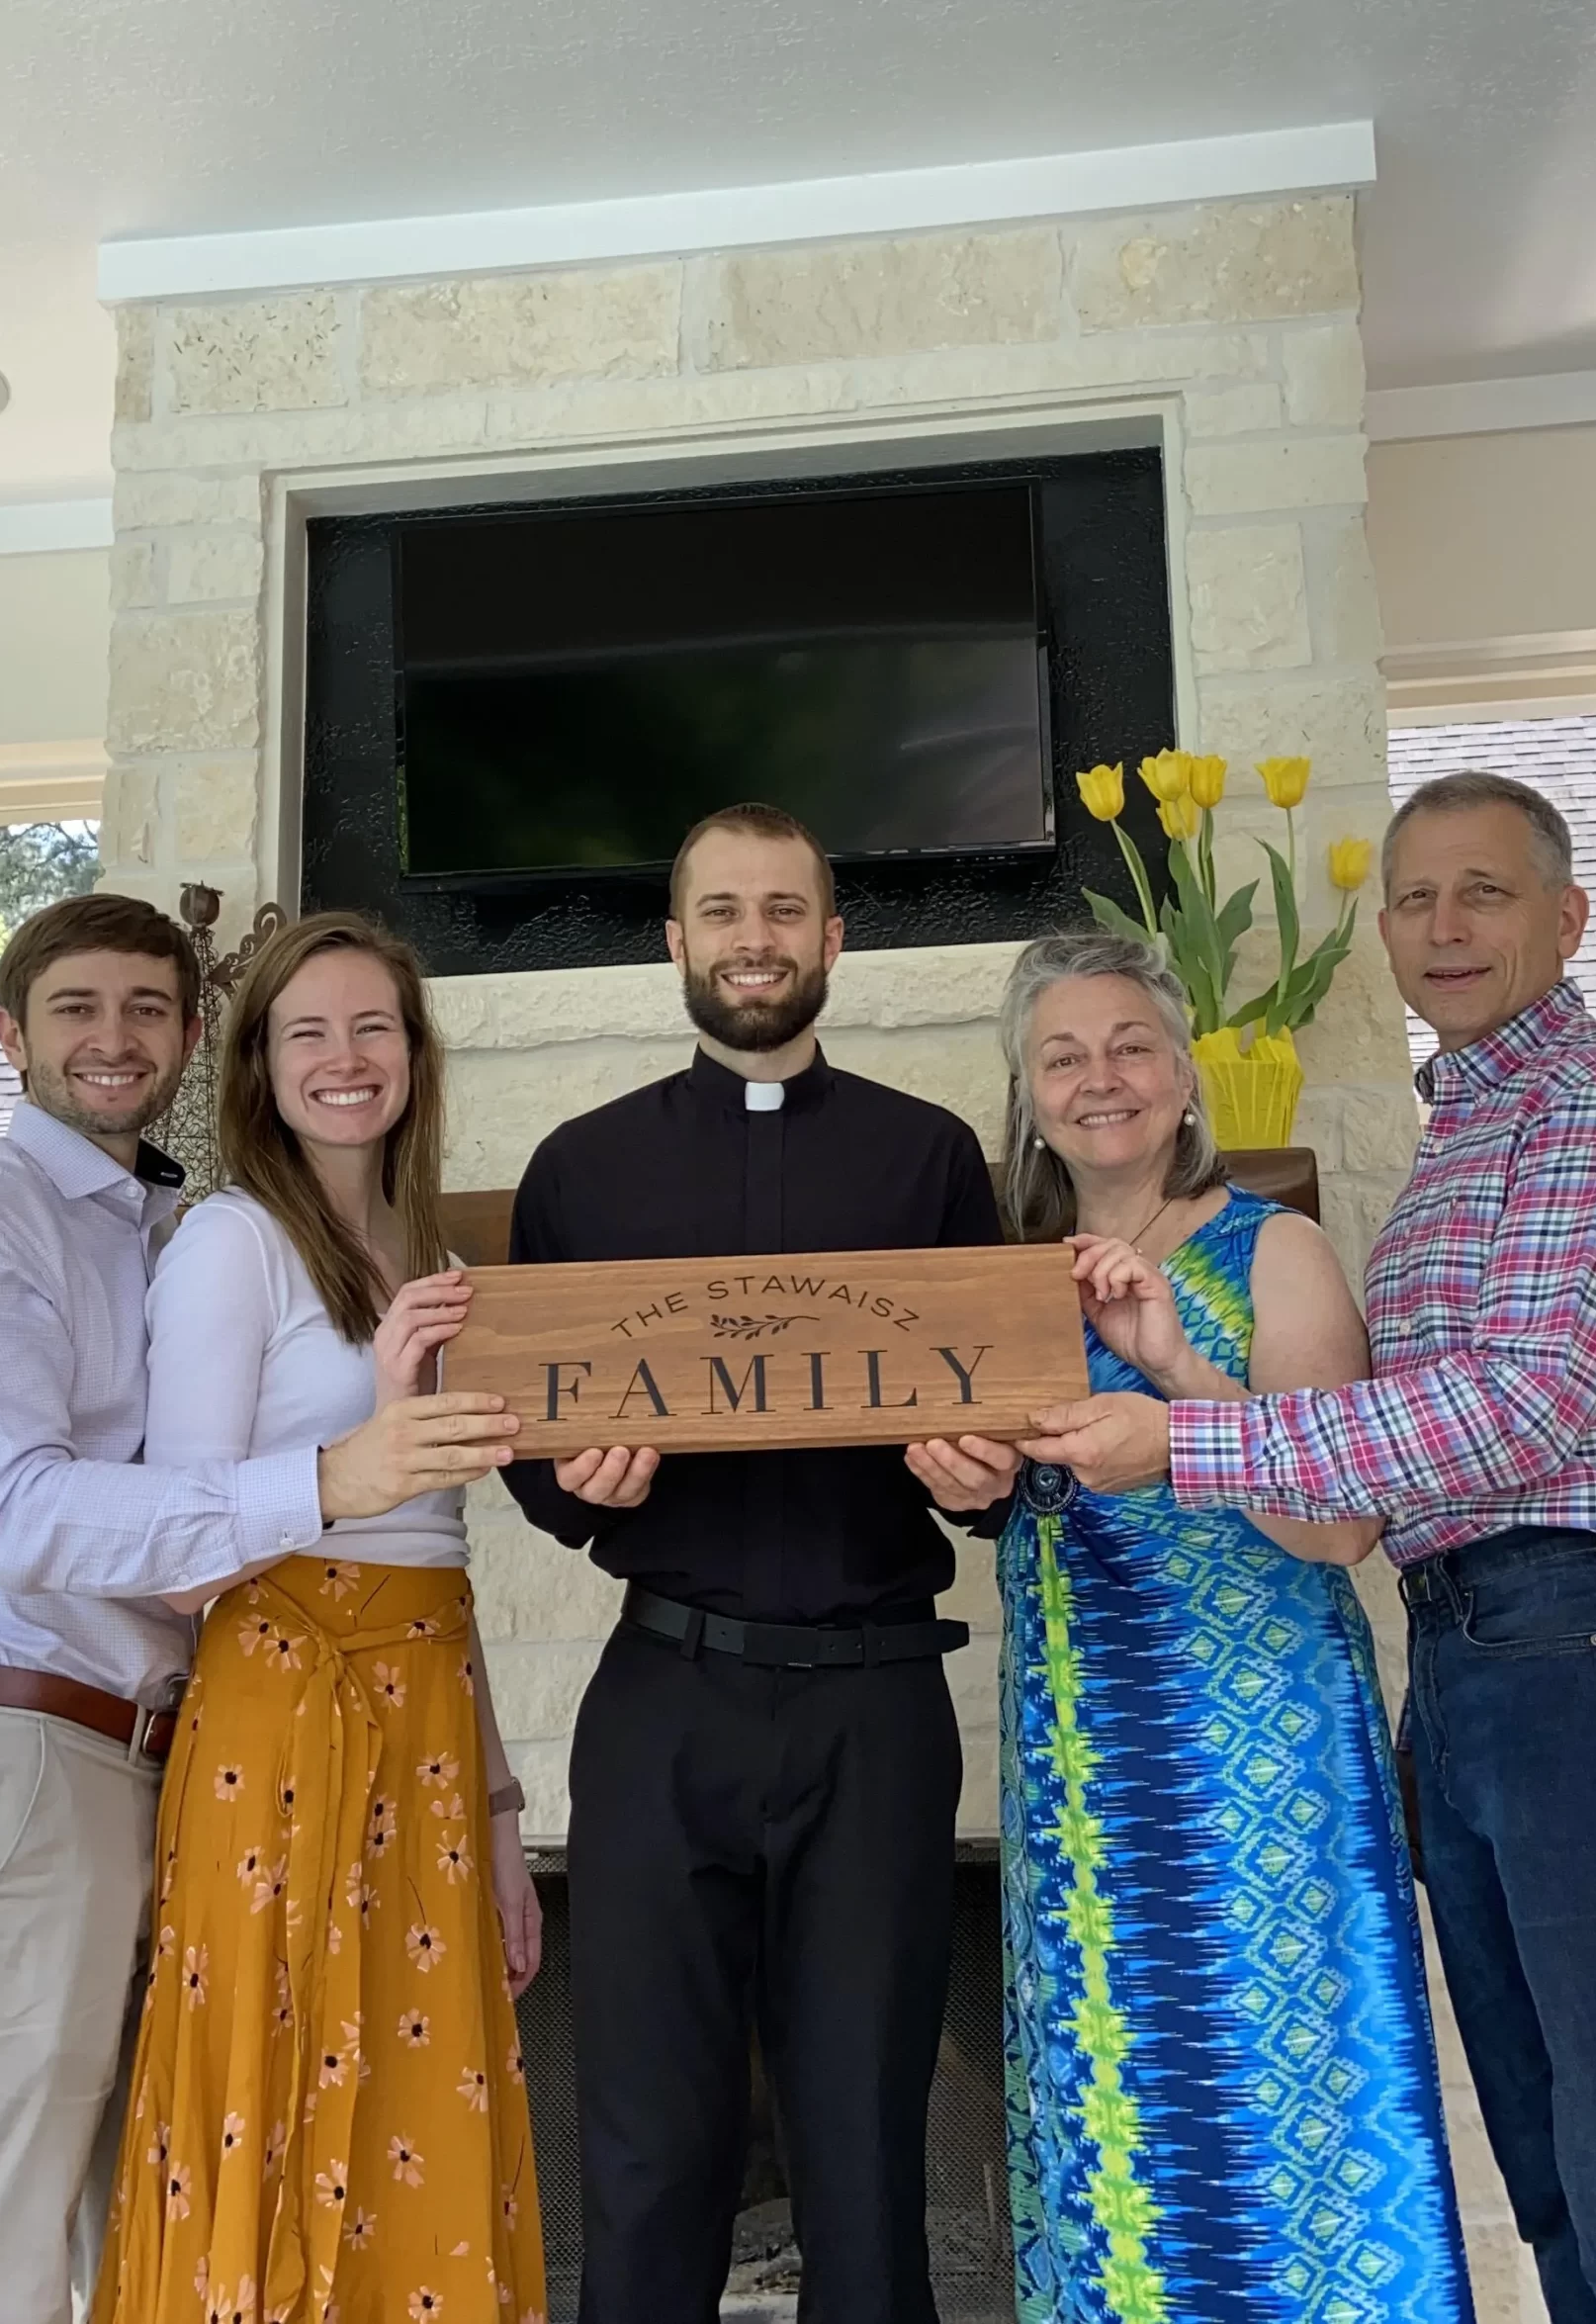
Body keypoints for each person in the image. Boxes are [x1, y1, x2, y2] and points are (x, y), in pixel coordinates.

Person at [1022, 772, 1596, 2324]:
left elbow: (1524, 1408)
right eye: (1415, 899)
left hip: (1587, 1623)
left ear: (1566, 916)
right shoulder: (1465, 1137)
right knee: (1561, 2155)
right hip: (1465, 1650)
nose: (1444, 927)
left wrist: (1188, 1432)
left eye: (1486, 892)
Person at [0, 894, 518, 2324]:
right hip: (15, 1746)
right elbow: (28, 1515)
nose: (115, 1037)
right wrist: (336, 1472)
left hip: (147, 1748)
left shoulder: (151, 1221)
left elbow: (409, 1541)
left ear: (194, 1037)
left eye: (147, 1007)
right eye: (77, 1007)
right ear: (10, 1033)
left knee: (133, 2216)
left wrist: (501, 1805)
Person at [502, 803, 1017, 2324]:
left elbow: (988, 1431)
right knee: (650, 2149)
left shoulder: (930, 1159)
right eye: (720, 909)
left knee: (865, 2151)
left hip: (876, 1706)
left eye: (784, 908)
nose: (753, 937)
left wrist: (986, 1484)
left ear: (833, 938)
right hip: (666, 1693)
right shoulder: (579, 1171)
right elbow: (543, 1454)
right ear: (674, 941)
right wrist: (571, 1484)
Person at [981, 929, 1473, 2323]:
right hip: (1086, 1764)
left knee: (1288, 2103)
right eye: (1063, 1056)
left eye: (1131, 1043)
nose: (1101, 1080)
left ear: (1186, 1073)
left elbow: (1343, 1523)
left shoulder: (1278, 1245)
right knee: (1119, 2127)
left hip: (1263, 1764)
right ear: (1027, 1095)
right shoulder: (1004, 1277)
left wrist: (1180, 1377)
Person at [94, 912, 548, 2324]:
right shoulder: (232, 1242)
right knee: (279, 2085)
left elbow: (441, 1551)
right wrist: (355, 1464)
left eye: (373, 1027)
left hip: (426, 1711)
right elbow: (176, 1539)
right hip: (281, 1710)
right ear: (260, 1067)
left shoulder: (431, 1242)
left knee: (425, 2092)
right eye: (309, 1032)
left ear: (414, 1053)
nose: (345, 1059)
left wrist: (501, 1807)